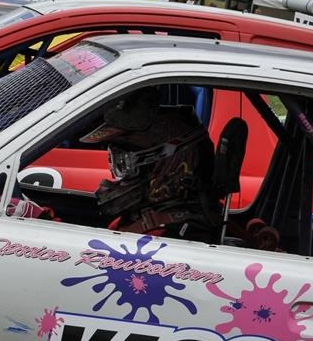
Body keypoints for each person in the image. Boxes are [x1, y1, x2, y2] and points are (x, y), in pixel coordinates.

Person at [81, 87, 221, 243]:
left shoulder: (171, 238)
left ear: (171, 165)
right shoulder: (145, 220)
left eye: (126, 165)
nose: (122, 176)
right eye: (117, 164)